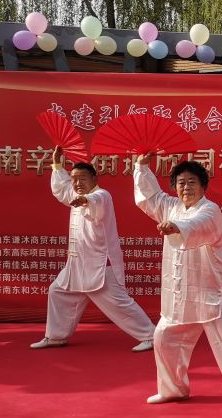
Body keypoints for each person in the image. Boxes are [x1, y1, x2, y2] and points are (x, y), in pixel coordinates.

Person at [133, 155, 222, 418]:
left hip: (213, 292)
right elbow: (149, 198)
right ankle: (173, 389)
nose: (186, 187)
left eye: (192, 182)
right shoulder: (170, 206)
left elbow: (196, 226)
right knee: (164, 338)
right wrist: (141, 167)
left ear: (203, 186)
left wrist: (176, 226)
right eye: (181, 182)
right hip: (181, 295)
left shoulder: (210, 210)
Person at [31, 146, 155, 351]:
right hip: (77, 264)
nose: (77, 183)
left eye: (83, 179)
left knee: (119, 303)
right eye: (74, 179)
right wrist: (57, 164)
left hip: (100, 264)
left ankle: (151, 336)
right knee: (58, 291)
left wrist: (84, 200)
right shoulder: (74, 193)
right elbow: (61, 189)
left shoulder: (102, 195)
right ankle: (56, 336)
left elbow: (94, 200)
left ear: (94, 179)